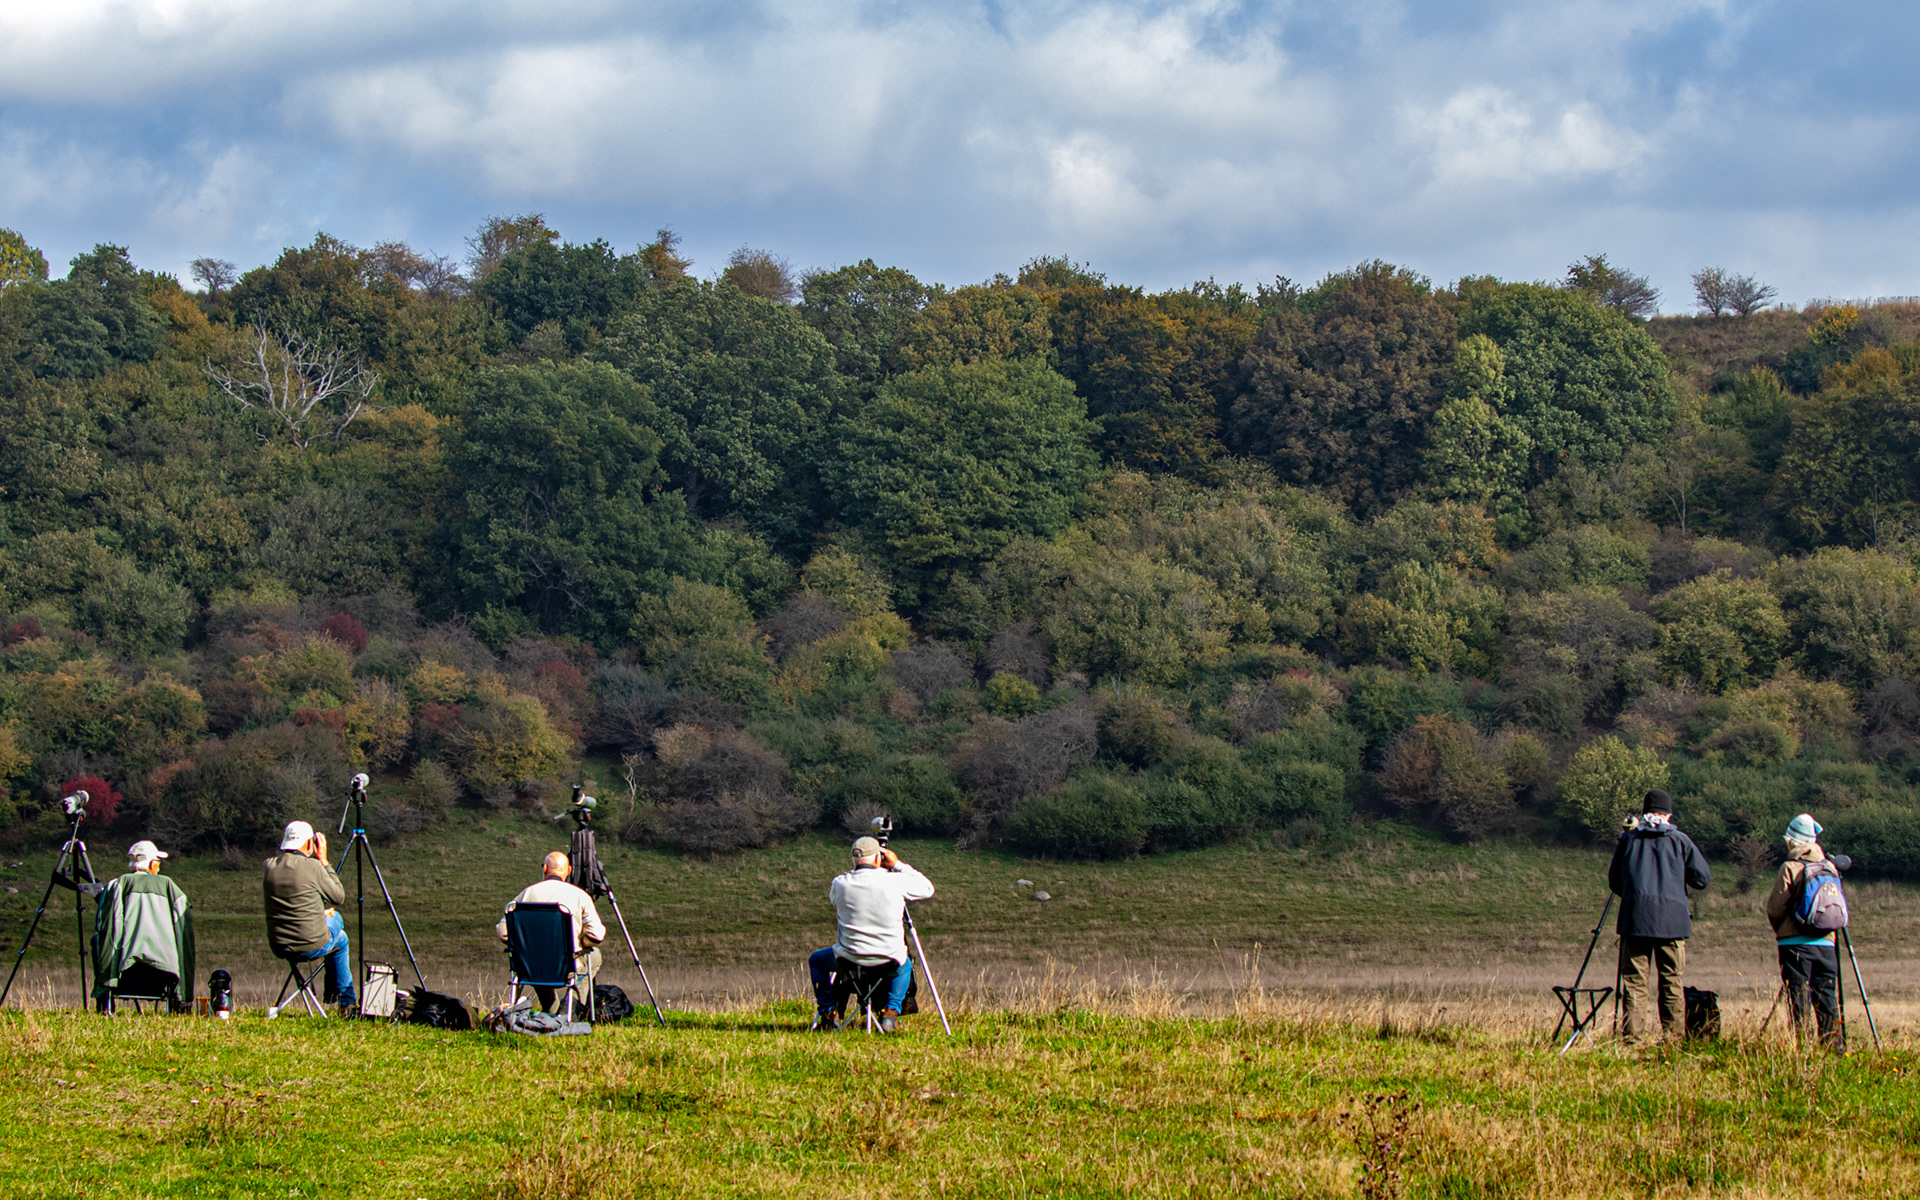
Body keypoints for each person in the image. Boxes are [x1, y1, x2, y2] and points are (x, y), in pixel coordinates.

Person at [1608, 788, 1711, 1044]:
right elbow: (1702, 879)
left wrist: (1635, 896)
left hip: (1635, 921)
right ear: (1669, 814)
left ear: (1644, 813)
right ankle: (1673, 1039)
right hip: (1672, 923)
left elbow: (1614, 882)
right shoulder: (1680, 840)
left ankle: (1633, 1040)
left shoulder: (1629, 840)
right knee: (1672, 982)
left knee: (1634, 982)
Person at [808, 836, 935, 1033]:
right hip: (889, 960)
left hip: (848, 960)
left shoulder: (840, 883)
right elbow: (927, 889)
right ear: (879, 858)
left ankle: (827, 1014)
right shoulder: (895, 881)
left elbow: (834, 899)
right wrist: (898, 865)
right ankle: (890, 1013)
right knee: (905, 964)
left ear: (854, 860)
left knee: (816, 960)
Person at [1765, 813, 1844, 1052]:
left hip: (1795, 943)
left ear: (1792, 841)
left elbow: (1775, 908)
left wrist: (1782, 932)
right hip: (1826, 943)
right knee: (1827, 997)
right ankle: (1834, 1047)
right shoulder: (1830, 867)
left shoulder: (1791, 867)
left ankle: (1803, 1049)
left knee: (1798, 998)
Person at [263, 819, 356, 1012]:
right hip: (310, 946)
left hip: (279, 946)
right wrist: (324, 861)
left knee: (334, 930)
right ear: (308, 843)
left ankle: (334, 996)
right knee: (339, 927)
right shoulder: (313, 867)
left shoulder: (269, 866)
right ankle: (346, 1002)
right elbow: (338, 896)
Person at [91, 840, 195, 1012]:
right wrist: (184, 996)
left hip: (124, 972)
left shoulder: (116, 885)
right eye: (158, 863)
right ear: (152, 864)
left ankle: (105, 1004)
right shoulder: (171, 887)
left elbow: (104, 930)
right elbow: (185, 936)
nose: (159, 867)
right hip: (165, 973)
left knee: (97, 940)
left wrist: (106, 982)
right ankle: (177, 1006)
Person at [496, 851, 605, 1014]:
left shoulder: (526, 895)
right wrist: (582, 944)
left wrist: (524, 944)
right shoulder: (579, 896)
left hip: (531, 966)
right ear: (568, 871)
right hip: (567, 965)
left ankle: (551, 1008)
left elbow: (503, 931)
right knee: (594, 955)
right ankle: (573, 1006)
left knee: (532, 958)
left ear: (545, 868)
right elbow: (596, 935)